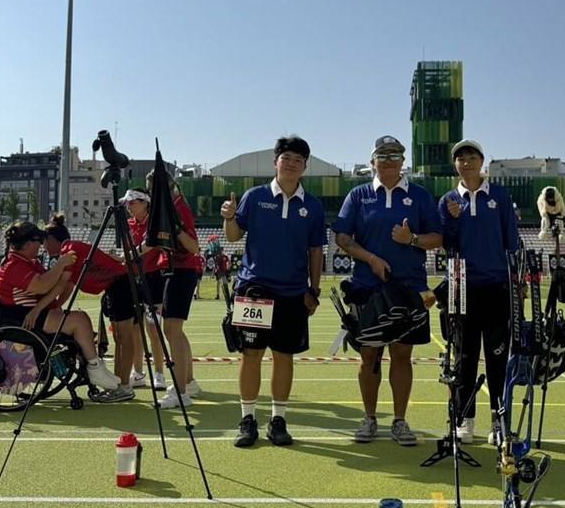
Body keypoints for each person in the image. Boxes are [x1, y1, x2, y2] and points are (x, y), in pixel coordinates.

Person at [333, 135, 442, 446]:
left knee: (402, 356)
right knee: (368, 356)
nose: (389, 161)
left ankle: (399, 421)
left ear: (403, 163)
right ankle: (369, 419)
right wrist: (371, 258)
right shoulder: (358, 196)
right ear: (372, 163)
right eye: (383, 156)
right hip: (367, 288)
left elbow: (438, 237)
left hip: (409, 289)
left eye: (395, 156)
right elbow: (342, 237)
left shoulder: (420, 196)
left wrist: (412, 240)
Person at [221, 136, 325, 447]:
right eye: (286, 157)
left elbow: (316, 251)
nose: (291, 163)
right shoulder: (255, 197)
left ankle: (278, 419)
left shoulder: (314, 206)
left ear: (305, 166)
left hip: (293, 293)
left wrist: (314, 290)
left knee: (284, 357)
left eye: (298, 159)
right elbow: (234, 235)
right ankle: (248, 418)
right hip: (254, 290)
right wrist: (228, 216)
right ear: (275, 162)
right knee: (250, 355)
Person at [438, 139, 520, 444]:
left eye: (471, 157)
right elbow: (447, 243)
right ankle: (464, 420)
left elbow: (511, 240)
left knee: (498, 359)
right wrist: (454, 220)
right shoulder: (447, 200)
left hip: (497, 287)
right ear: (455, 165)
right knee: (465, 358)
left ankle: (500, 421)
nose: (466, 162)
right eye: (460, 158)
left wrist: (519, 282)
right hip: (462, 289)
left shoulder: (498, 195)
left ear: (482, 161)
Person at [0, 221, 118, 390]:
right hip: (23, 320)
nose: (41, 246)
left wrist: (66, 275)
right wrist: (60, 264)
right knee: (80, 321)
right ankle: (95, 369)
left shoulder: (28, 262)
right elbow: (43, 285)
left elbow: (54, 284)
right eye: (39, 242)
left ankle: (95, 366)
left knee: (80, 318)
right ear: (29, 243)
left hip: (31, 315)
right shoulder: (14, 266)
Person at [44, 214, 137, 402]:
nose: (43, 248)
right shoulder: (70, 249)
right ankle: (119, 383)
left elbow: (64, 285)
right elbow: (68, 285)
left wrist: (47, 308)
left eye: (44, 243)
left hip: (122, 283)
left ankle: (124, 387)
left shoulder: (69, 251)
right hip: (114, 286)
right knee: (119, 337)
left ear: (52, 240)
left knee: (124, 337)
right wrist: (54, 306)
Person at [146, 170, 202, 409]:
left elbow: (193, 246)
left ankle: (180, 391)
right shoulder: (174, 206)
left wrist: (176, 227)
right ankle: (187, 383)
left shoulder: (178, 207)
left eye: (151, 190)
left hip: (181, 270)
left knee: (171, 329)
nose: (150, 194)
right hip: (177, 270)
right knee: (175, 331)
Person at [122, 188, 167, 392]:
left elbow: (149, 245)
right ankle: (138, 372)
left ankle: (159, 373)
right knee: (134, 329)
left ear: (144, 202)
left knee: (153, 328)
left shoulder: (154, 221)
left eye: (132, 203)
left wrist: (129, 255)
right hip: (134, 277)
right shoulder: (128, 224)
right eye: (127, 203)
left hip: (153, 277)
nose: (128, 207)